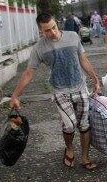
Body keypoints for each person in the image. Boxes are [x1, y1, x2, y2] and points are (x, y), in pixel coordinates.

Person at [9, 12, 101, 170]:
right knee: (70, 125)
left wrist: (95, 79)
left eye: (53, 27)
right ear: (40, 31)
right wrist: (15, 95)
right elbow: (28, 74)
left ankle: (85, 157)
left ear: (56, 23)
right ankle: (70, 148)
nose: (52, 32)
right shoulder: (39, 48)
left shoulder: (73, 36)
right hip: (60, 90)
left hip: (80, 86)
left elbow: (83, 60)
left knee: (84, 125)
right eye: (47, 30)